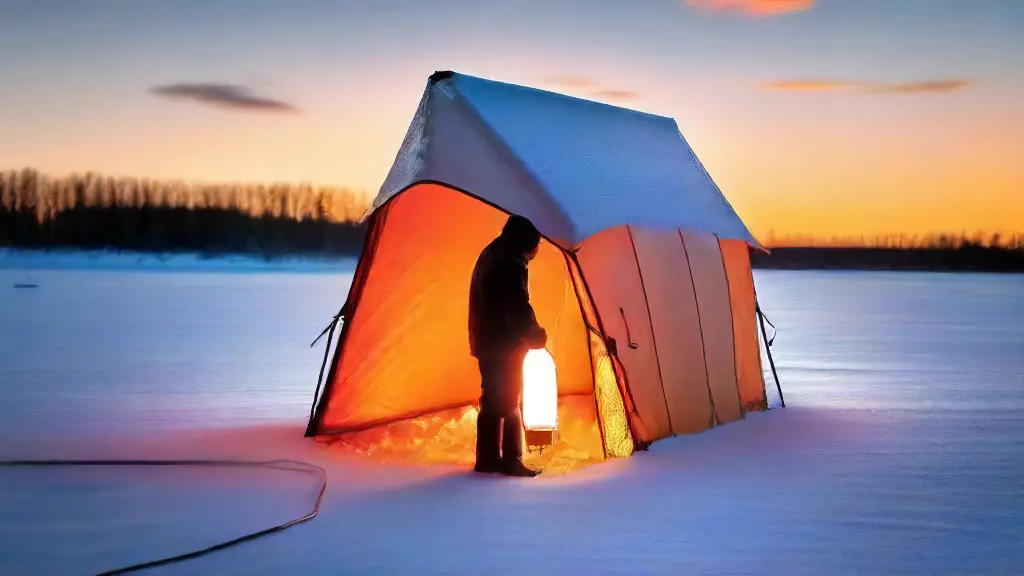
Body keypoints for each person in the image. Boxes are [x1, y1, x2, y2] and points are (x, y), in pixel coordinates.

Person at [468, 214, 548, 477]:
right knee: (509, 399)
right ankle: (512, 460)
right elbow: (517, 309)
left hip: (488, 342)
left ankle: (488, 459)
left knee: (492, 398)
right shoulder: (507, 264)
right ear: (526, 243)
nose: (537, 250)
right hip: (503, 347)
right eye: (536, 244)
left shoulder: (495, 253)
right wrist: (535, 336)